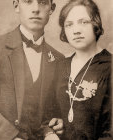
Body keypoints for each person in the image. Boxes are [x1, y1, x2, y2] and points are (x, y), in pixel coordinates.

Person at [0, 0, 65, 140]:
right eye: (28, 1)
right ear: (16, 6)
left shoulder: (58, 59)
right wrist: (11, 137)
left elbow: (50, 111)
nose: (35, 9)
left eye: (42, 2)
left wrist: (51, 129)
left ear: (51, 8)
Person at [53, 0, 112, 139]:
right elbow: (50, 111)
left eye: (83, 22)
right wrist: (54, 126)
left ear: (95, 24)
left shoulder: (109, 67)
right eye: (69, 24)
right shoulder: (60, 66)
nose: (76, 30)